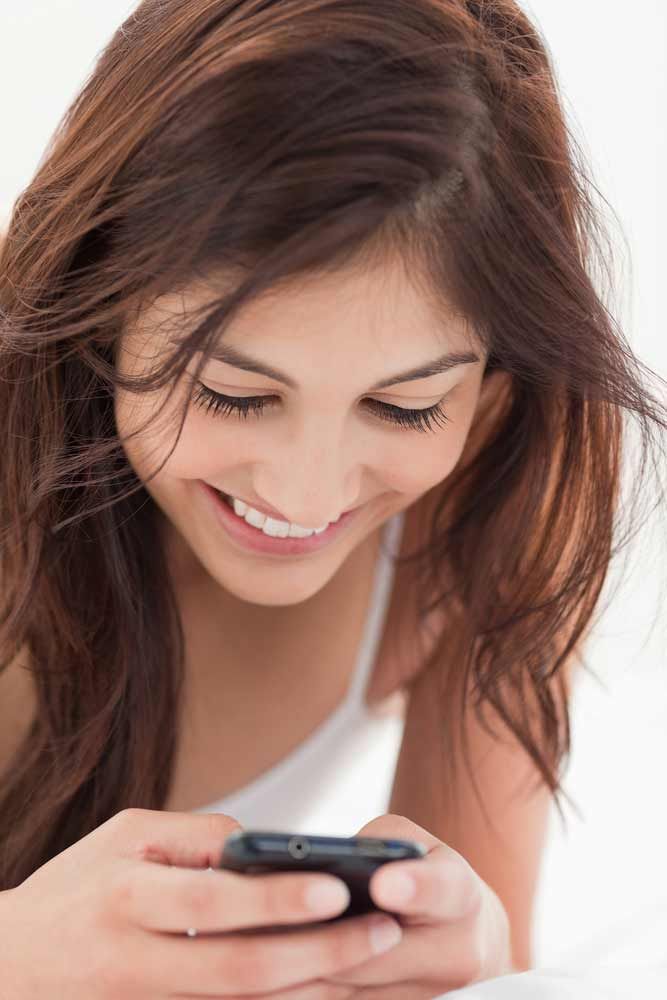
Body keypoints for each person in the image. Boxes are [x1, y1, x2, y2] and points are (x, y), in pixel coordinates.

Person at [0, 1, 665, 997]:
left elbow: (474, 969)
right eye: (234, 390)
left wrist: (472, 954)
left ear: (486, 385)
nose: (304, 493)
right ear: (101, 309)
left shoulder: (488, 490)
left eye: (404, 407)